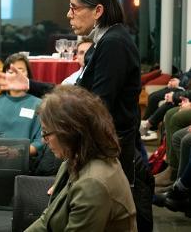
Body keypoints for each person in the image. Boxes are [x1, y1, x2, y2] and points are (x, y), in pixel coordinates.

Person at [0, 0, 141, 185]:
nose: (68, 14)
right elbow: (77, 94)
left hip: (109, 154)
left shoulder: (113, 43)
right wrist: (28, 84)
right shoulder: (104, 41)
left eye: (74, 8)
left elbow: (97, 107)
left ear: (98, 11)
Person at [26, 85, 136, 231]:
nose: (43, 140)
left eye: (46, 132)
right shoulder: (76, 159)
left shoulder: (92, 184)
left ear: (70, 132)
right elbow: (49, 219)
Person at [0, 53, 43, 156]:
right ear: (4, 75)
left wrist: (18, 153)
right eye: (10, 71)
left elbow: (41, 141)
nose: (16, 74)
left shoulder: (39, 104)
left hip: (28, 162)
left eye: (21, 70)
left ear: (28, 75)